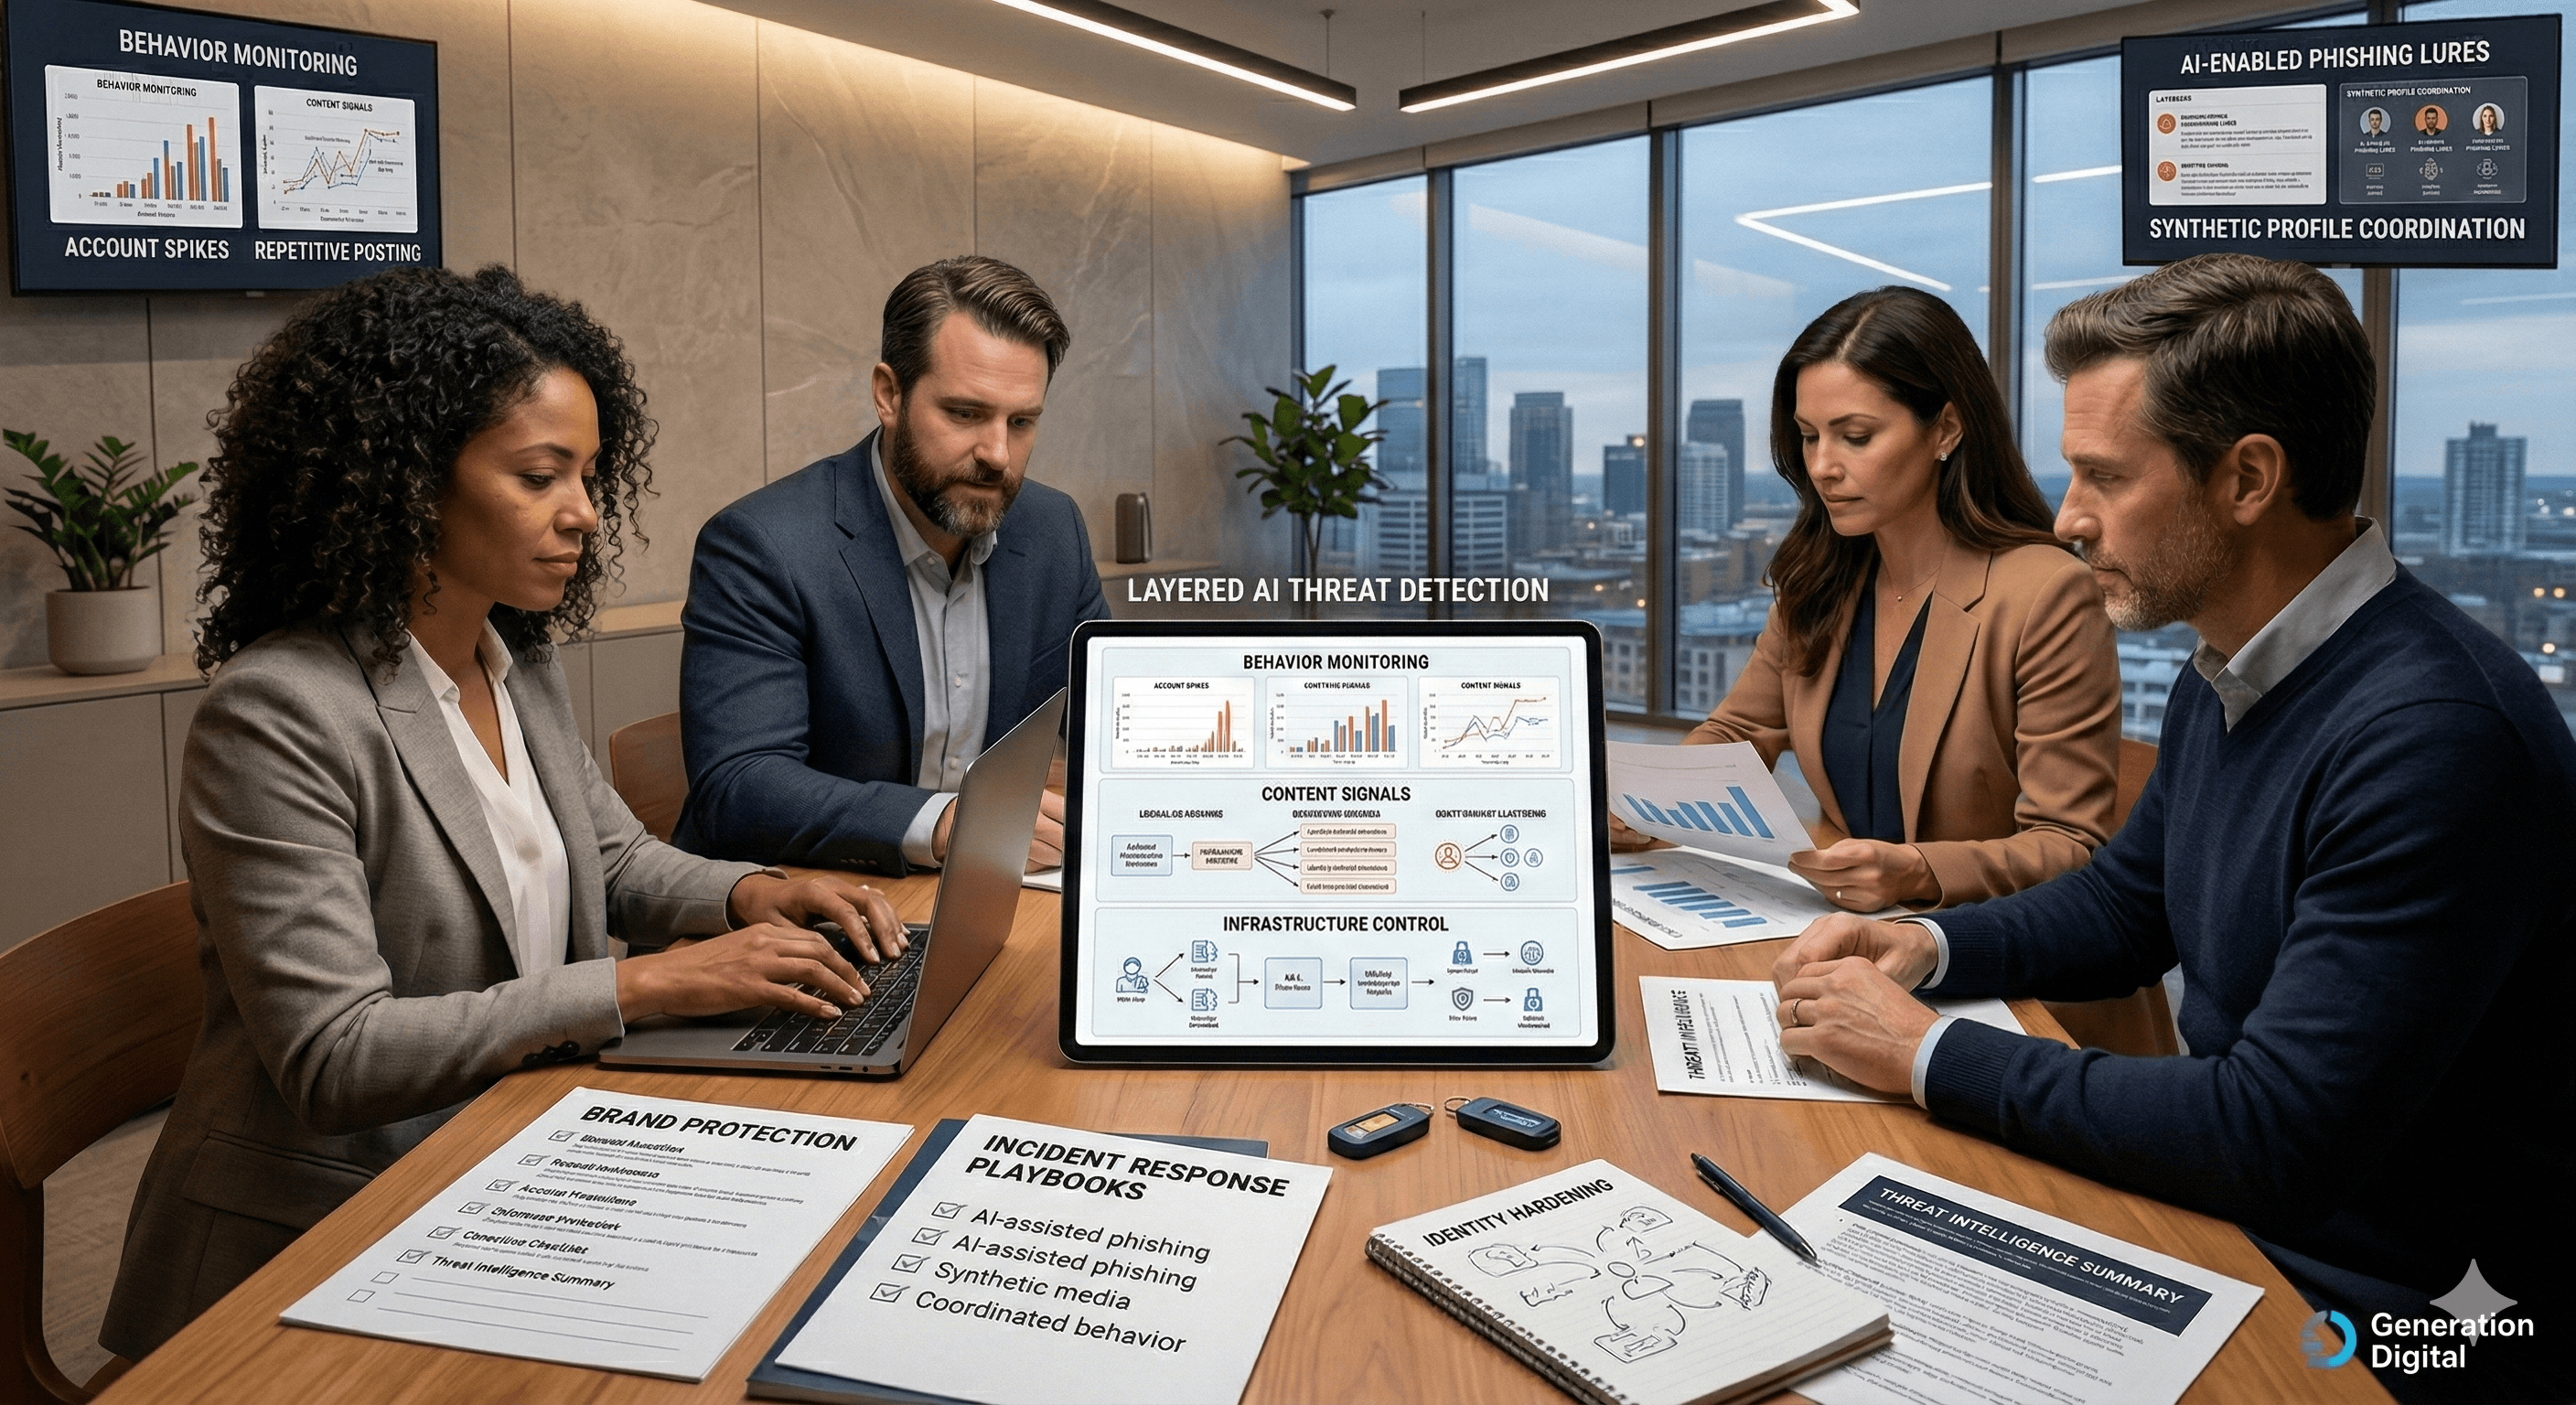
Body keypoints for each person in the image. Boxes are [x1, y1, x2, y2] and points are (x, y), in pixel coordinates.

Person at [1768, 253, 2571, 1404]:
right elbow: (2129, 902)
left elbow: (2271, 1134)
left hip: (2407, 1319)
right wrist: (1932, 948)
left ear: (2246, 477)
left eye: (2103, 475)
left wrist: (1922, 1052)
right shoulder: (2228, 665)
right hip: (2270, 1235)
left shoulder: (2434, 734)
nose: (2067, 517)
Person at [100, 266, 907, 1360]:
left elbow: (611, 861)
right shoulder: (278, 713)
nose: (583, 512)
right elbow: (338, 1055)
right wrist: (639, 985)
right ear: (404, 481)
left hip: (506, 1164)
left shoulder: (506, 653)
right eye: (539, 476)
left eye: (587, 473)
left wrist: (756, 890)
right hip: (312, 1242)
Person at [1614, 287, 2120, 911]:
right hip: (1851, 940)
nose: (1823, 465)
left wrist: (1919, 872)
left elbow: (2069, 845)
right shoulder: (1819, 581)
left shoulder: (2046, 594)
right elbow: (1740, 729)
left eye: (1855, 436)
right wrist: (1652, 805)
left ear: (1948, 429)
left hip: (2003, 961)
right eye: (1808, 436)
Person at [674, 255, 1108, 875]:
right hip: (798, 910)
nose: (997, 453)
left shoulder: (1051, 530)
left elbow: (1111, 726)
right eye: (964, 414)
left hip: (970, 896)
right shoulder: (762, 546)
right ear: (889, 395)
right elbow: (739, 788)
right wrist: (942, 823)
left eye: (1022, 422)